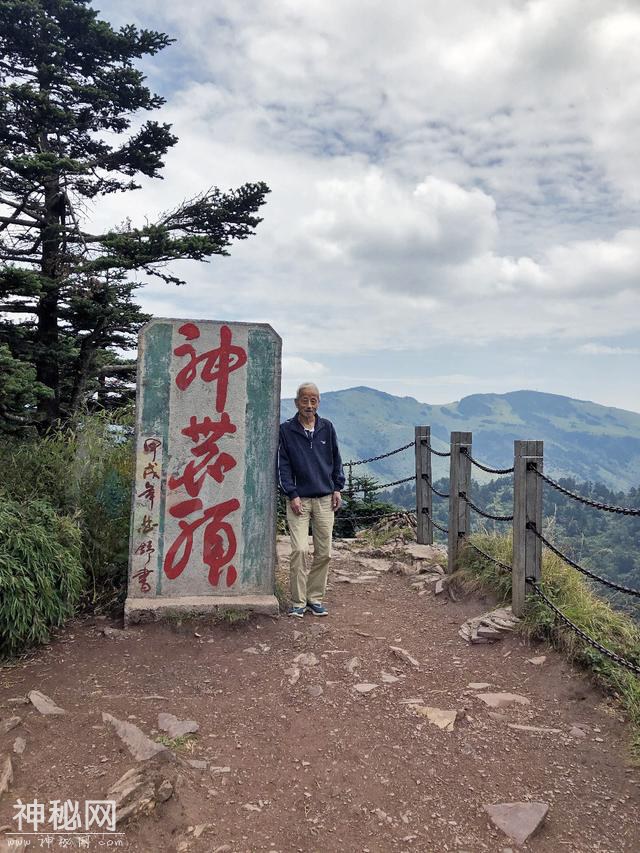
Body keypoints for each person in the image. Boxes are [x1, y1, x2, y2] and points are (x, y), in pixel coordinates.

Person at [278, 382, 345, 617]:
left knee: (324, 552)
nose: (309, 405)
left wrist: (337, 488)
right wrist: (292, 494)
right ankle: (297, 601)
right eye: (304, 400)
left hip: (325, 498)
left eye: (313, 400)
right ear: (297, 403)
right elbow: (283, 466)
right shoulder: (286, 430)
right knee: (298, 550)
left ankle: (314, 598)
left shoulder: (327, 428)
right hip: (299, 500)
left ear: (319, 402)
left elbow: (336, 459)